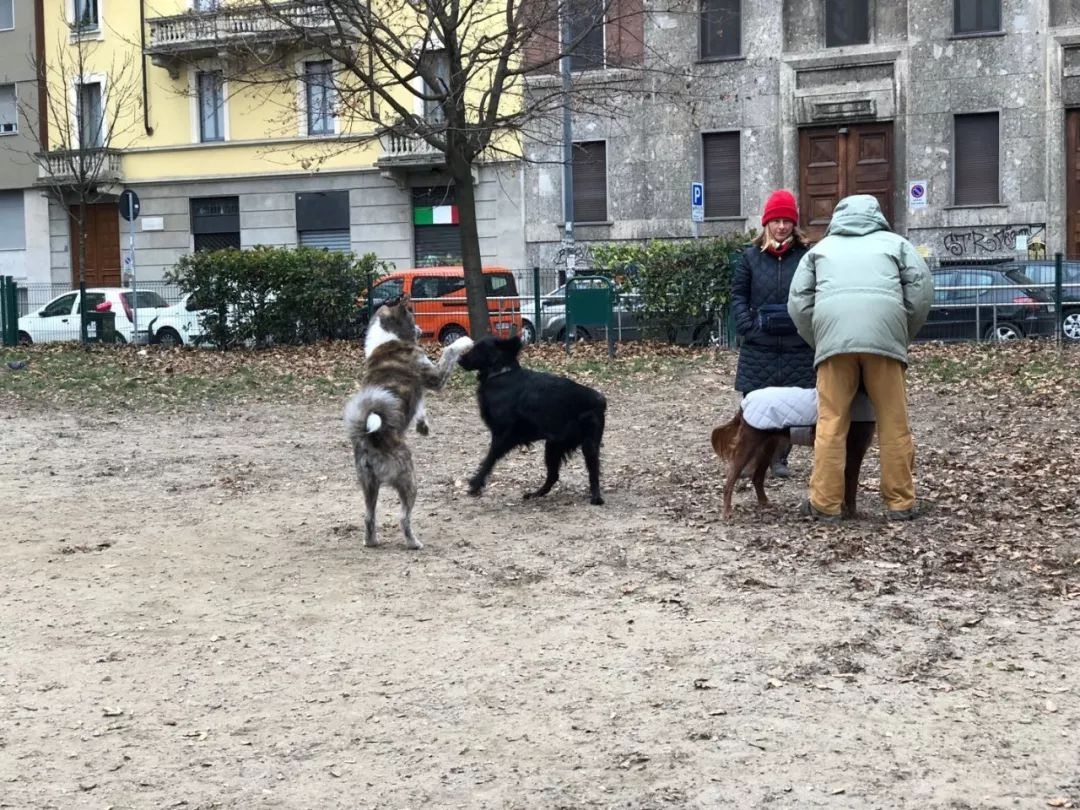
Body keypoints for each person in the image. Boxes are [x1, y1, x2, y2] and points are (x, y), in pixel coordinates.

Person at [787, 194, 933, 522]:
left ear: (838, 217)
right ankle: (901, 503)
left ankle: (825, 503)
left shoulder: (820, 250)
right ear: (877, 215)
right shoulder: (897, 244)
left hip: (834, 344)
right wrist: (900, 333)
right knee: (893, 422)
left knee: (831, 421)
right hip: (885, 339)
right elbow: (922, 292)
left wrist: (821, 339)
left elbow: (797, 303)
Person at [731, 189, 816, 478]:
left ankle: (779, 458)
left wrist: (806, 328)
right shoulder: (750, 257)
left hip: (796, 347)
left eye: (787, 221)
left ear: (794, 224)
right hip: (760, 346)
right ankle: (751, 457)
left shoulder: (807, 257)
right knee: (755, 406)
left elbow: (815, 294)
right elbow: (738, 295)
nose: (782, 226)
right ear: (767, 223)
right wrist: (748, 327)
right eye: (776, 220)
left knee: (792, 408)